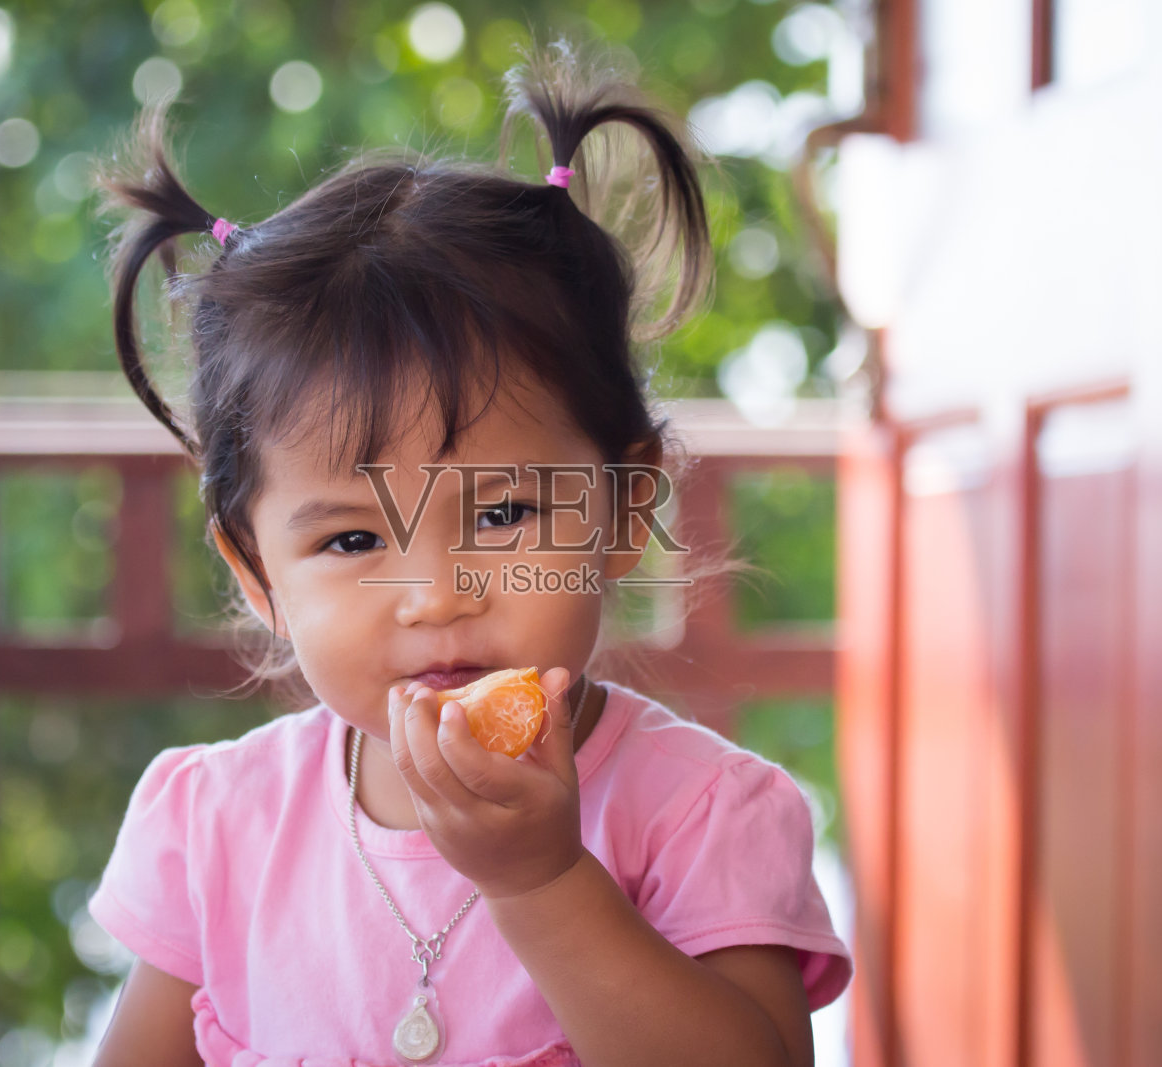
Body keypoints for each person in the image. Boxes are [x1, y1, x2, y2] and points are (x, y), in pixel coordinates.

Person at [86, 37, 853, 1067]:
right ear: (257, 574)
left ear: (623, 511)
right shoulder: (216, 826)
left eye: (500, 516)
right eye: (352, 537)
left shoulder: (702, 814)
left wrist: (540, 881)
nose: (435, 595)